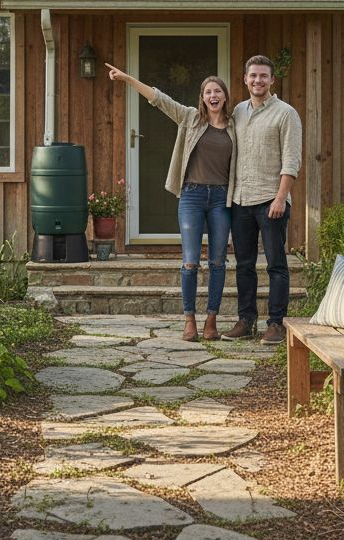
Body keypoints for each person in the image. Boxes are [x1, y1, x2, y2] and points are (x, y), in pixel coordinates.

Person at [105, 63, 236, 342]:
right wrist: (128, 79)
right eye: (208, 92)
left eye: (218, 91)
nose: (213, 96)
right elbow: (158, 98)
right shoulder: (190, 118)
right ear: (202, 97)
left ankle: (211, 319)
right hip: (192, 195)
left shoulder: (236, 126)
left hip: (221, 199)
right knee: (190, 261)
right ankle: (189, 320)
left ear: (225, 97)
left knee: (217, 261)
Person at [223, 54, 302, 345]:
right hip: (241, 201)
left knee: (275, 264)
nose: (258, 80)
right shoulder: (237, 113)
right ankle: (247, 320)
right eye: (253, 75)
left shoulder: (285, 113)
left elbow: (292, 160)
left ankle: (276, 323)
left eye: (263, 76)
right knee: (244, 265)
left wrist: (280, 198)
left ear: (272, 80)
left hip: (271, 200)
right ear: (245, 79)